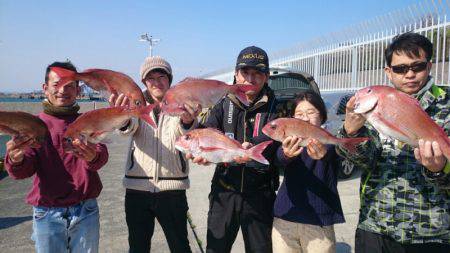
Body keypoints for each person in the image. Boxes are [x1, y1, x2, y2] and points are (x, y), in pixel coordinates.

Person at [338, 32, 450, 253]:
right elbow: (363, 161)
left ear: (429, 66)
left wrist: (439, 170)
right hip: (375, 226)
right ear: (388, 72)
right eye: (400, 68)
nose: (409, 74)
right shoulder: (376, 104)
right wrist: (351, 132)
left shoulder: (446, 104)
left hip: (431, 232)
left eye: (417, 67)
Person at [4, 61, 109, 253]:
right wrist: (15, 159)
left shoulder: (88, 120)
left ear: (78, 90)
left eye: (69, 86)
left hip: (86, 210)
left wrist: (93, 156)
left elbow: (101, 156)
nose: (63, 90)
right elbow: (23, 170)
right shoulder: (35, 125)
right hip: (47, 213)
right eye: (56, 85)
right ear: (45, 89)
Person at [188, 46, 280, 253]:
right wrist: (203, 153)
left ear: (266, 77)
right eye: (245, 72)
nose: (250, 78)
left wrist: (253, 148)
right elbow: (205, 132)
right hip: (224, 190)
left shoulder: (277, 106)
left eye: (257, 73)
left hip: (260, 194)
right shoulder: (222, 103)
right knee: (216, 248)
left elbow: (279, 148)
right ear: (235, 74)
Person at [109, 56, 199, 253]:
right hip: (137, 189)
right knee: (138, 247)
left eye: (161, 76)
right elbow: (128, 129)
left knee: (180, 247)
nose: (157, 82)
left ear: (169, 79)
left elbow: (185, 135)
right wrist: (122, 116)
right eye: (151, 78)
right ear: (144, 82)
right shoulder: (135, 102)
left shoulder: (181, 103)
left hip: (173, 189)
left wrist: (187, 120)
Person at [271, 91, 345, 253]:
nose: (305, 118)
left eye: (311, 113)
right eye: (299, 114)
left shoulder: (330, 141)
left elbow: (337, 157)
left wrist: (324, 154)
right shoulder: (289, 141)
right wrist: (286, 154)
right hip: (285, 218)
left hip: (318, 222)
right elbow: (278, 158)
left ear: (322, 116)